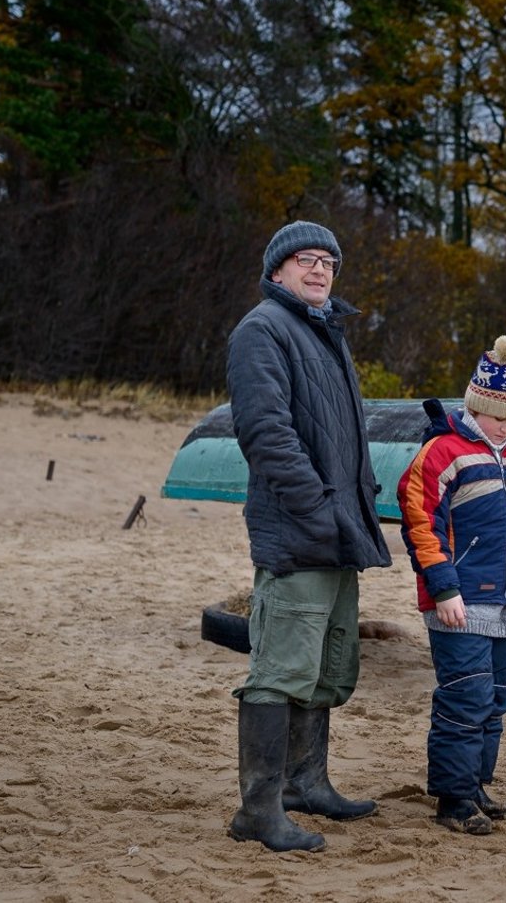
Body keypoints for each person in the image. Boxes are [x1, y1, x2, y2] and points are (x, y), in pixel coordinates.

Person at [225, 220, 392, 853]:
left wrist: (352, 510)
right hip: (300, 533)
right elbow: (266, 434)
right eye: (304, 260)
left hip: (338, 533)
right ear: (277, 272)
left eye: (327, 261)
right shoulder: (262, 330)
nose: (318, 270)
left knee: (326, 666)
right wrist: (318, 510)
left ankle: (305, 783)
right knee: (281, 669)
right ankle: (258, 810)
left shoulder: (325, 332)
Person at [397, 335, 506, 835]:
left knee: (496, 699)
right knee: (465, 698)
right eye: (498, 418)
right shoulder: (443, 451)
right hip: (461, 605)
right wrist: (443, 589)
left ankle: (475, 785)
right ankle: (452, 797)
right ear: (476, 407)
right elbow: (420, 521)